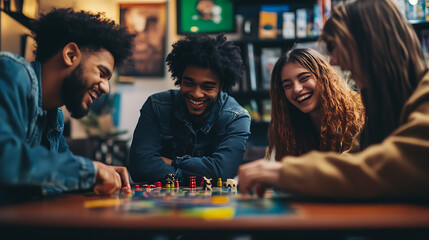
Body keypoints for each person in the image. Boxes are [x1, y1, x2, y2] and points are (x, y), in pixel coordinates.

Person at [238, 0, 429, 199]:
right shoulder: (385, 106)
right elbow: (355, 159)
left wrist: (283, 172)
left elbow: (388, 167)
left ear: (372, 43)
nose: (334, 61)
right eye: (287, 85)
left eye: (338, 46)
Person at [0, 8, 134, 197]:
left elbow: (63, 173)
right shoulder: (11, 72)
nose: (106, 88)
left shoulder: (54, 116)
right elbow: (6, 159)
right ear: (70, 54)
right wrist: (92, 172)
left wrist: (103, 174)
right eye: (102, 74)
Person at [129, 33, 250, 184]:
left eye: (207, 87)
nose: (196, 94)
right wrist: (189, 178)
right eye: (189, 83)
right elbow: (139, 165)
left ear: (221, 87)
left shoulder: (236, 117)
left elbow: (221, 172)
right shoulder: (156, 106)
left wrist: (172, 162)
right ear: (180, 78)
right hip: (162, 204)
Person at [266, 48, 364, 161]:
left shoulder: (360, 114)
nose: (297, 89)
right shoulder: (285, 127)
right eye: (288, 85)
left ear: (324, 77)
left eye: (304, 78)